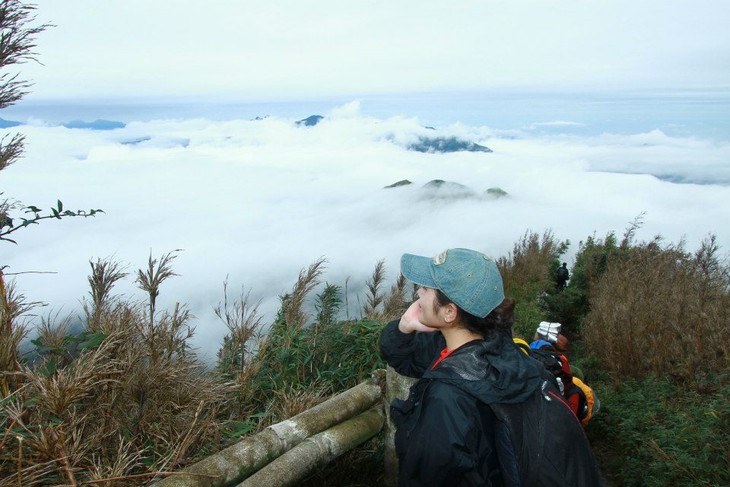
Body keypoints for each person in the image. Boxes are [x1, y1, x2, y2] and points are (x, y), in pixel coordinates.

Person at [380, 248, 601, 486]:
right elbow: (401, 357)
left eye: (427, 288)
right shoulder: (499, 347)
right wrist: (405, 326)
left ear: (450, 312)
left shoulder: (446, 400)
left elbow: (426, 475)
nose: (418, 291)